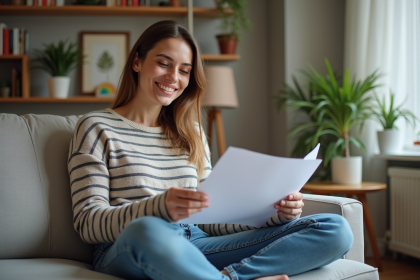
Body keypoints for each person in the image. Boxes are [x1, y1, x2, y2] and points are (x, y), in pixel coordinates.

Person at [68, 20, 353, 280]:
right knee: (148, 228)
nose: (173, 78)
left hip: (197, 242)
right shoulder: (95, 127)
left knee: (334, 229)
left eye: (184, 71)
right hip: (129, 246)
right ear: (137, 62)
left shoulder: (190, 132)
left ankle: (230, 278)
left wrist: (275, 214)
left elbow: (212, 218)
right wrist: (159, 208)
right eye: (164, 63)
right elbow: (88, 223)